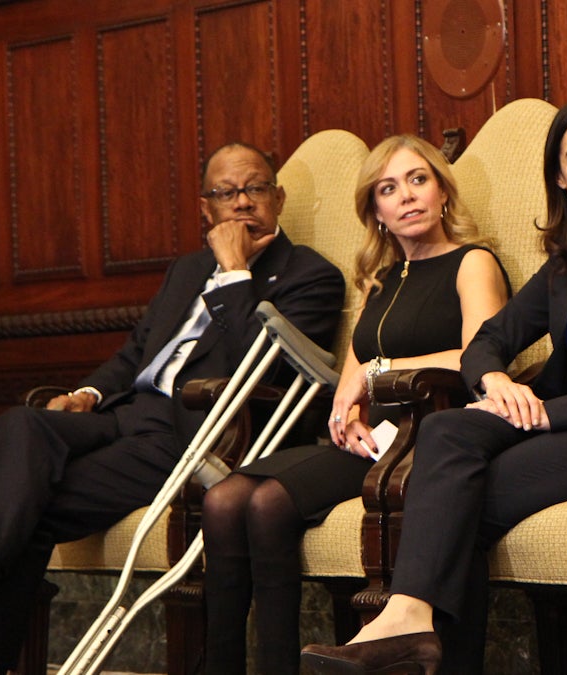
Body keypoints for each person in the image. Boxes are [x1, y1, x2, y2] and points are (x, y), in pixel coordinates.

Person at [301, 97, 567, 674]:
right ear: (561, 178)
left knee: (453, 509)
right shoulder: (566, 263)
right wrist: (496, 378)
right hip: (556, 423)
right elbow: (484, 344)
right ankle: (411, 620)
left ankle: (407, 625)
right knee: (449, 429)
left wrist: (549, 415)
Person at [0, 142, 346, 674]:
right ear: (205, 208)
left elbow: (264, 373)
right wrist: (89, 394)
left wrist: (236, 271)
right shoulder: (185, 270)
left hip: (198, 436)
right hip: (124, 417)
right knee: (22, 424)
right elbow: (136, 352)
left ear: (278, 198)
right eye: (225, 193)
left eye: (255, 188)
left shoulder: (311, 276)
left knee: (29, 506)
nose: (242, 203)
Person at [200, 134, 510, 675]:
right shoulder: (380, 280)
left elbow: (478, 358)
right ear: (377, 211)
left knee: (269, 503)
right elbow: (349, 383)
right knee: (226, 499)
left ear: (442, 193)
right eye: (389, 189)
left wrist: (376, 373)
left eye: (418, 180)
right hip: (373, 444)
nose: (407, 196)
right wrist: (346, 419)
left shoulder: (472, 262)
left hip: (432, 439)